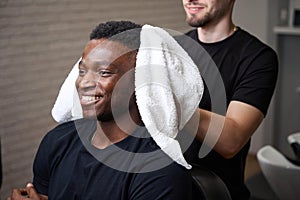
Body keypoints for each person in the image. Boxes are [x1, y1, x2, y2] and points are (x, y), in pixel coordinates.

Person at [6, 21, 193, 200]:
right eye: (82, 71)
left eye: (104, 72)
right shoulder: (57, 141)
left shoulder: (158, 170)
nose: (85, 83)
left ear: (141, 81)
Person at [178, 0, 278, 199]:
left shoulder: (257, 58)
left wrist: (171, 103)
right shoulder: (175, 49)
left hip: (216, 192)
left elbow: (231, 140)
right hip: (168, 187)